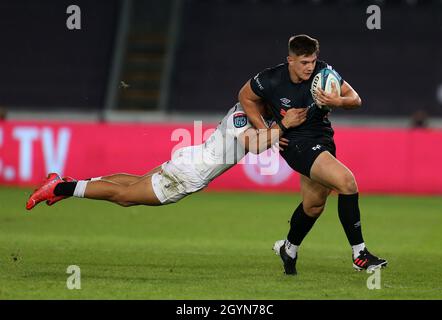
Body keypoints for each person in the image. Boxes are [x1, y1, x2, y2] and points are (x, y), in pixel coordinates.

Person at [238, 34, 387, 274]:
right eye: (304, 62)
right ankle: (359, 254)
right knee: (346, 182)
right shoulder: (271, 79)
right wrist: (266, 131)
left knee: (314, 205)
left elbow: (356, 99)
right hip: (295, 143)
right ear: (290, 60)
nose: (310, 67)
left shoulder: (325, 72)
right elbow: (245, 96)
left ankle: (289, 248)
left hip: (323, 139)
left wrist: (336, 100)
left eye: (312, 61)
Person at [26, 103, 307, 209]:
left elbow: (262, 139)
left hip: (191, 159)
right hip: (190, 173)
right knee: (124, 197)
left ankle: (68, 183)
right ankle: (61, 187)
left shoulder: (253, 115)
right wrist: (284, 126)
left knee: (130, 184)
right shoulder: (242, 117)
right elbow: (256, 146)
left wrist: (279, 129)